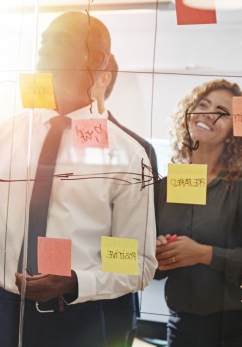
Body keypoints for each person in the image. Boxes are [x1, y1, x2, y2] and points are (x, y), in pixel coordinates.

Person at [0, 11, 157, 347]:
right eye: (42, 42)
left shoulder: (127, 154)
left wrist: (76, 282)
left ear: (97, 59)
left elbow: (139, 263)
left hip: (77, 321)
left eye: (58, 41)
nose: (42, 51)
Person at [153, 79, 242, 347]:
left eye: (222, 112)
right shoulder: (167, 186)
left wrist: (204, 254)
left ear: (234, 131)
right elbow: (152, 268)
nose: (208, 114)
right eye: (203, 104)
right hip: (181, 325)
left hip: (239, 328)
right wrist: (157, 254)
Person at [88, 56, 157, 347]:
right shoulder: (34, 143)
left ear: (104, 77)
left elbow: (133, 242)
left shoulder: (135, 149)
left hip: (107, 305)